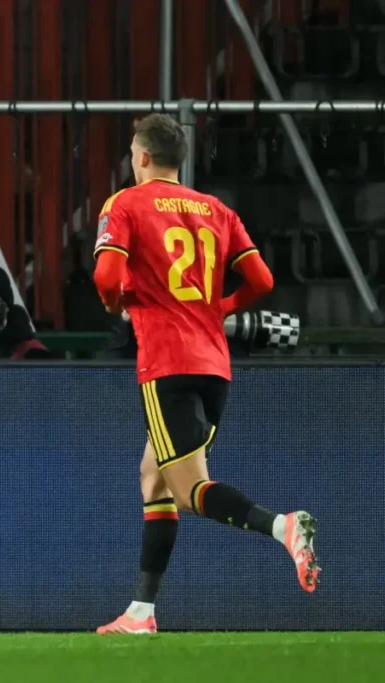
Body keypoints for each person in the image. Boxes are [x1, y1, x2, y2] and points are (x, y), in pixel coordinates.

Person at [91, 114, 319, 635]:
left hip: (166, 362)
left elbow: (106, 275)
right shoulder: (216, 209)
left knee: (189, 490)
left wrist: (114, 301)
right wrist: (221, 308)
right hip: (214, 365)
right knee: (153, 475)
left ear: (142, 157)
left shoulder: (125, 203)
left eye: (133, 152)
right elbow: (262, 280)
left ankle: (282, 526)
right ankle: (141, 613)